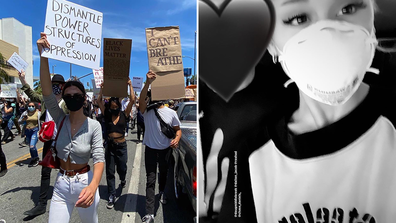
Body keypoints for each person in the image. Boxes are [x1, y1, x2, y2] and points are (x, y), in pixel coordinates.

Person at [200, 0, 396, 222]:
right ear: (270, 42)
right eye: (298, 19)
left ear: (372, 16)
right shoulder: (252, 160)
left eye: (348, 8)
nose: (329, 35)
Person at [38, 33, 104, 223]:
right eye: (68, 95)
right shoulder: (60, 118)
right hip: (60, 185)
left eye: (77, 95)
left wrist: (93, 187)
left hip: (85, 183)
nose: (72, 97)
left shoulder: (94, 126)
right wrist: (43, 55)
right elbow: (47, 91)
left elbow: (99, 159)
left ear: (84, 99)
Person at [20, 69, 69, 217]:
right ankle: (41, 204)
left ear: (63, 86)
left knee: (67, 171)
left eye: (58, 85)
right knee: (45, 172)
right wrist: (23, 80)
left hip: (64, 141)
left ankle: (68, 198)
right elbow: (32, 94)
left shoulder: (67, 102)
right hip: (49, 141)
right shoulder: (46, 100)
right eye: (53, 84)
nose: (55, 87)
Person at [139, 70, 182, 223]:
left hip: (165, 150)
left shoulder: (171, 113)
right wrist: (147, 83)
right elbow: (141, 101)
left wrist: (176, 139)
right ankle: (150, 213)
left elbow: (178, 130)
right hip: (150, 150)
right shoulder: (147, 111)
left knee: (163, 174)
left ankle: (162, 191)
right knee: (150, 179)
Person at [97, 81, 135, 209]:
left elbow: (132, 100)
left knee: (122, 168)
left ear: (119, 106)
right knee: (110, 171)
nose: (113, 109)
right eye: (112, 107)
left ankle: (123, 179)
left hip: (122, 146)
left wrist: (129, 85)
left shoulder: (125, 114)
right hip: (110, 146)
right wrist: (102, 89)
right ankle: (111, 195)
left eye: (115, 107)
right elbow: (99, 101)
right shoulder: (107, 115)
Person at [19, 102, 41, 167]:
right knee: (30, 146)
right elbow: (19, 121)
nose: (31, 107)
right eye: (29, 106)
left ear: (35, 106)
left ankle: (36, 157)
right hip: (27, 131)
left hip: (35, 130)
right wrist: (23, 119)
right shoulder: (25, 113)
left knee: (32, 146)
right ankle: (33, 158)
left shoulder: (38, 113)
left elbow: (42, 122)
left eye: (32, 106)